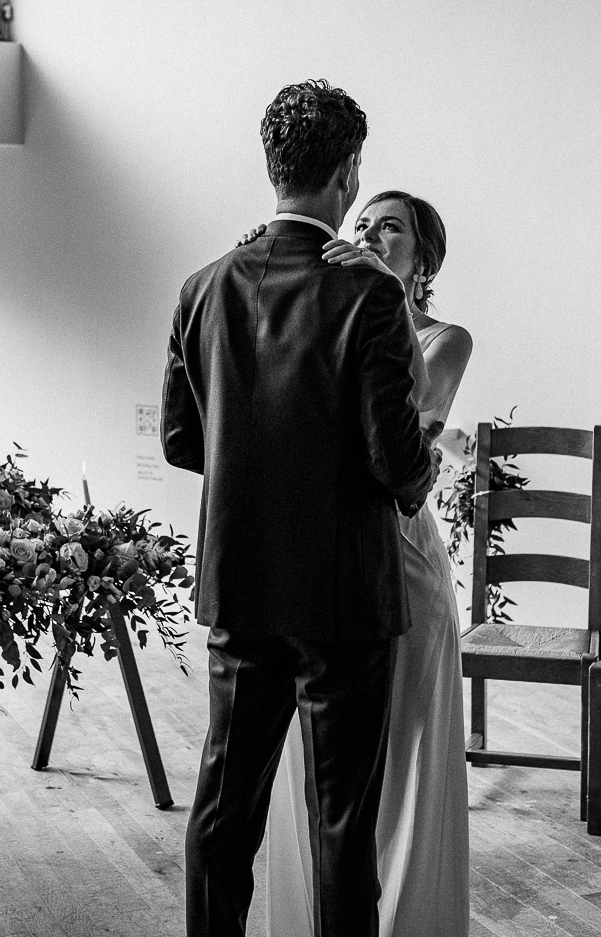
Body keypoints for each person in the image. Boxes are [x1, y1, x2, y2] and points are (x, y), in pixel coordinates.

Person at [162, 80, 436, 937]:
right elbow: (397, 460)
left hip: (241, 587)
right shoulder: (369, 294)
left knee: (222, 813)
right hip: (345, 600)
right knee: (342, 827)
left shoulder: (202, 287)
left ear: (273, 166)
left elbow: (180, 440)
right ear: (347, 172)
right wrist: (423, 475)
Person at [262, 191, 473, 936]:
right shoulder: (335, 319)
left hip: (406, 558)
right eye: (364, 224)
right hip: (329, 556)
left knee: (406, 747)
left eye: (391, 228)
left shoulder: (449, 338)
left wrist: (380, 293)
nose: (372, 235)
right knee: (326, 759)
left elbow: (412, 409)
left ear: (423, 259)